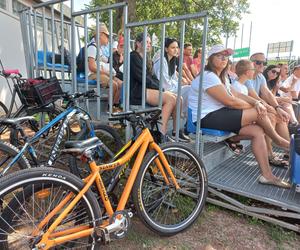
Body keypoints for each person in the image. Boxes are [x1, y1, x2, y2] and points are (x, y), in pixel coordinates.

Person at [188, 44, 290, 188]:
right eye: (219, 56)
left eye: (226, 57)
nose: (224, 59)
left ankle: (267, 175)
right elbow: (230, 101)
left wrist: (256, 102)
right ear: (210, 59)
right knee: (258, 112)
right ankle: (277, 139)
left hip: (218, 114)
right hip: (205, 118)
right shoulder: (208, 76)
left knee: (257, 132)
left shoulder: (221, 77)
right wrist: (257, 106)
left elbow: (237, 94)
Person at [130, 33, 182, 142]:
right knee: (170, 99)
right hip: (137, 91)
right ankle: (160, 134)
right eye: (146, 42)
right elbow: (143, 79)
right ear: (138, 44)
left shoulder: (147, 58)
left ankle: (176, 132)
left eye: (150, 43)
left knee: (178, 98)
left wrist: (159, 87)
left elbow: (153, 78)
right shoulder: (133, 56)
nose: (149, 45)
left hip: (147, 89)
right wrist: (160, 89)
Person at [246, 52, 290, 166]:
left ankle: (289, 151)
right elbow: (253, 95)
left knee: (280, 116)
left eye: (264, 62)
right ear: (251, 63)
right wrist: (269, 107)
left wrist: (277, 108)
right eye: (258, 62)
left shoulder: (260, 76)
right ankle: (270, 155)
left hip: (256, 107)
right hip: (246, 109)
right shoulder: (246, 75)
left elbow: (266, 93)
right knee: (269, 116)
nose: (262, 65)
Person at [152, 37, 191, 141]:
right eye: (173, 47)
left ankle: (178, 130)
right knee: (189, 91)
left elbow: (173, 79)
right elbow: (164, 83)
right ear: (166, 49)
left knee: (189, 89)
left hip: (170, 89)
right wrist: (180, 84)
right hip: (159, 90)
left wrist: (181, 82)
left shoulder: (172, 60)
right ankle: (184, 126)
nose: (176, 50)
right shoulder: (161, 60)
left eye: (177, 48)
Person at [87, 23, 122, 109]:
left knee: (122, 84)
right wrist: (106, 72)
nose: (108, 39)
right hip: (93, 74)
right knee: (114, 85)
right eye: (107, 36)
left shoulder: (99, 48)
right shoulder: (92, 47)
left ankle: (115, 105)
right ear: (101, 35)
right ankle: (109, 109)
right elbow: (91, 67)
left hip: (101, 72)